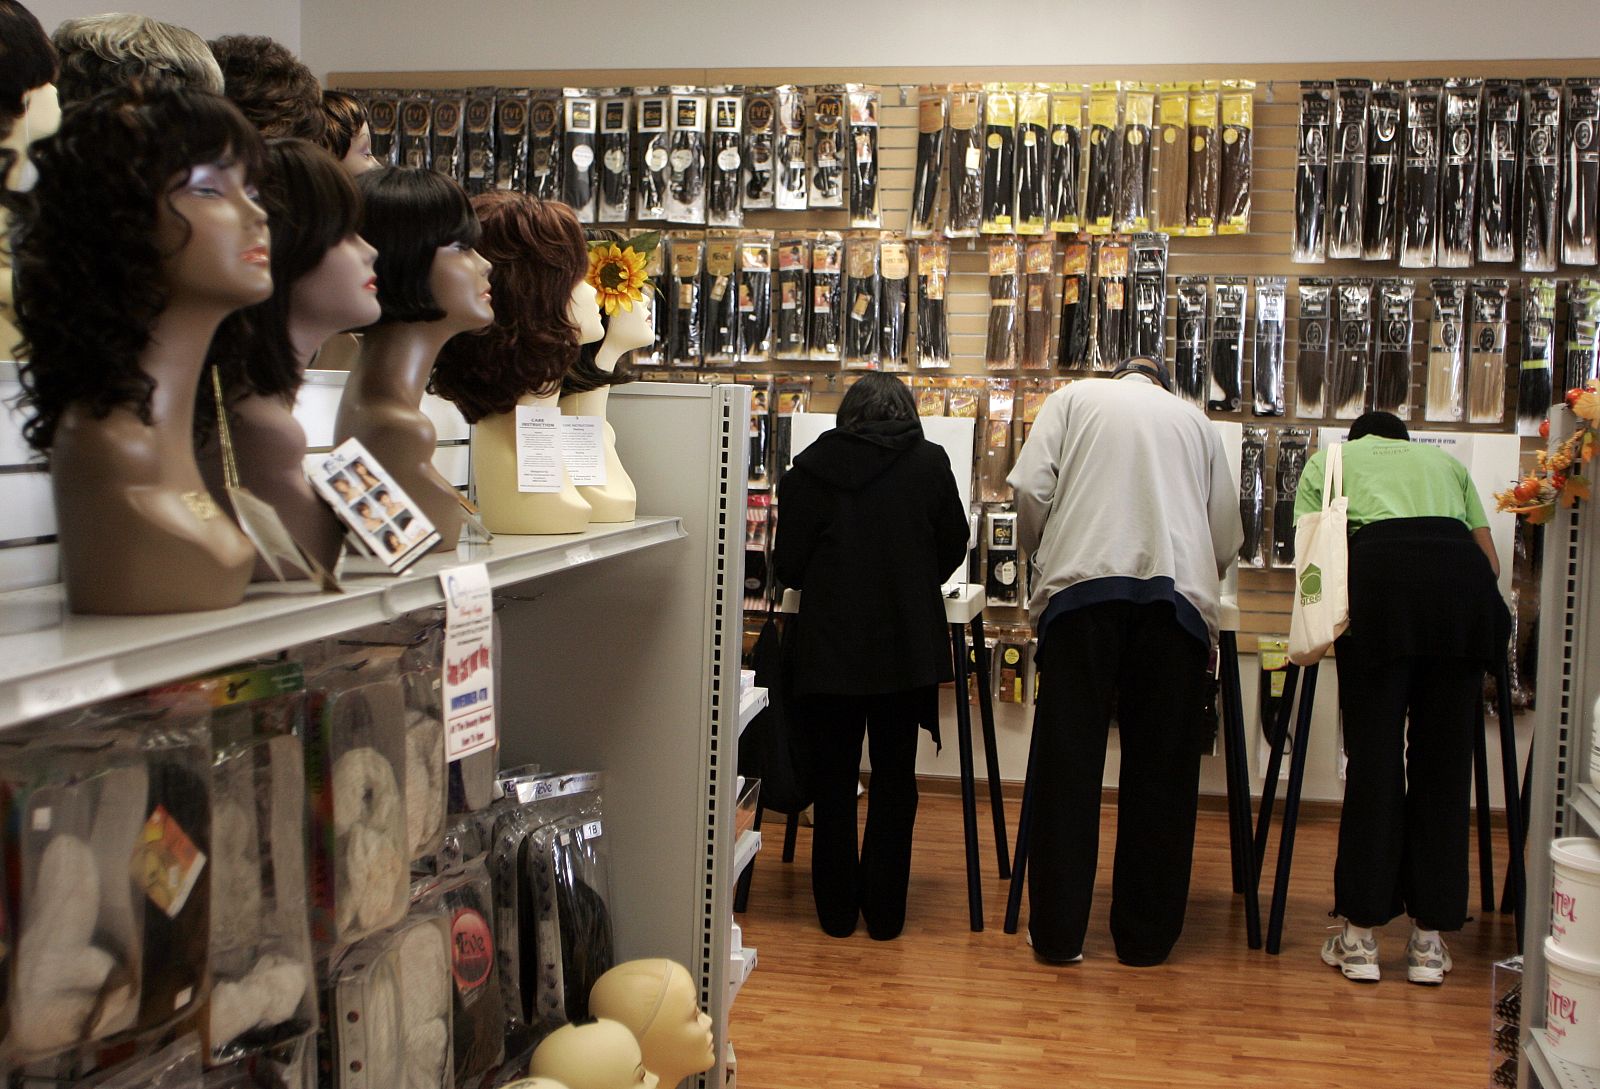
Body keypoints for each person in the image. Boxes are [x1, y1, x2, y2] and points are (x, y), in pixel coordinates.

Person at [1007, 357, 1241, 967]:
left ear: (1115, 376)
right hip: (1175, 604)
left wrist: (1044, 550)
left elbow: (1029, 490)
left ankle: (1058, 935)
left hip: (1080, 595)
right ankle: (1145, 939)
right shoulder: (1195, 421)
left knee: (1067, 765)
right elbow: (1225, 534)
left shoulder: (1071, 400)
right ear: (1161, 380)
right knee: (1163, 772)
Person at [1298, 411, 1508, 986]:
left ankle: (1360, 939)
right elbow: (1490, 562)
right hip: (1462, 595)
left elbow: (1313, 561)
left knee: (1375, 763)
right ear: (1406, 441)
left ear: (1357, 439)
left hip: (1379, 590)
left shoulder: (1330, 461)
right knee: (1444, 767)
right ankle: (1428, 944)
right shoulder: (1444, 463)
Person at [773, 372, 968, 940]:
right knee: (895, 779)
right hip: (903, 648)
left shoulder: (809, 470)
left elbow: (789, 567)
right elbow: (953, 544)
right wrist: (913, 577)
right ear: (906, 412)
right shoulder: (930, 464)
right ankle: (885, 914)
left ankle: (836, 912)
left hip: (829, 649)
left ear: (848, 415)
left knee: (832, 779)